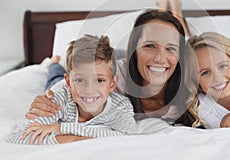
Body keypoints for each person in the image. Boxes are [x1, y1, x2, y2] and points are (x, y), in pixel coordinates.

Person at [25, 9, 203, 131]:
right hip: (107, 65)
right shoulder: (115, 73)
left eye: (171, 48)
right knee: (57, 76)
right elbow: (63, 90)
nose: (160, 57)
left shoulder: (189, 84)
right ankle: (53, 64)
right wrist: (47, 103)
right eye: (149, 45)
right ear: (134, 48)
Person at [7, 35, 135, 145]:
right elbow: (18, 136)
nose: (89, 90)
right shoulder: (60, 98)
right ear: (68, 82)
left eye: (99, 80)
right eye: (80, 80)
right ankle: (53, 63)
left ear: (112, 84)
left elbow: (126, 136)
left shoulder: (121, 106)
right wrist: (75, 139)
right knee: (54, 77)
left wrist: (62, 129)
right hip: (58, 86)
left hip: (70, 91)